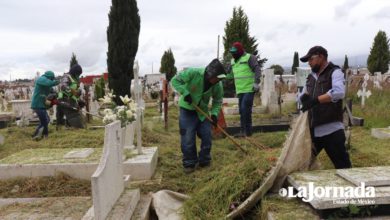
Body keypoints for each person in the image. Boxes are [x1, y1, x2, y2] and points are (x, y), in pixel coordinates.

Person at [298, 46, 352, 169]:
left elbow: (339, 92)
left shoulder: (335, 72)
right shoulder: (310, 77)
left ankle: (350, 188)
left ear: (321, 57)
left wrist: (316, 100)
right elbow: (303, 94)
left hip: (331, 130)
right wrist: (302, 99)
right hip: (313, 131)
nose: (309, 63)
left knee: (343, 167)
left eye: (311, 59)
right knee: (301, 164)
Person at [171, 58, 226, 174]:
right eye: (216, 78)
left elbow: (217, 101)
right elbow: (175, 81)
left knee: (207, 136)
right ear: (210, 73)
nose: (217, 81)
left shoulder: (217, 85)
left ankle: (204, 160)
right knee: (188, 138)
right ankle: (190, 163)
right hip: (187, 110)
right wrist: (185, 93)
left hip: (202, 113)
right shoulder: (193, 73)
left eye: (219, 79)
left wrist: (215, 114)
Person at [227, 42, 261, 137]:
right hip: (240, 90)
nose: (233, 54)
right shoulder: (233, 61)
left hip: (249, 89)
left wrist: (256, 82)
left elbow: (257, 69)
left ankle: (244, 131)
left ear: (240, 51)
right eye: (232, 53)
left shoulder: (249, 57)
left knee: (244, 109)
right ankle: (247, 132)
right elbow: (230, 74)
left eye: (235, 52)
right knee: (242, 111)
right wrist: (225, 76)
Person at [31, 71, 59, 140]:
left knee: (47, 120)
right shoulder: (41, 79)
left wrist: (55, 95)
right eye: (52, 78)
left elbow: (51, 90)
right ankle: (44, 136)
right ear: (49, 77)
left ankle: (36, 134)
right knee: (45, 121)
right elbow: (49, 83)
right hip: (37, 104)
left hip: (41, 105)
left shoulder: (46, 84)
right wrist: (57, 81)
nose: (52, 80)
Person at [56, 64, 85, 129]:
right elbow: (63, 86)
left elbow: (76, 89)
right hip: (64, 99)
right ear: (74, 71)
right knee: (73, 116)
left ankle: (67, 127)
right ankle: (64, 128)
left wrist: (79, 98)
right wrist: (73, 92)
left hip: (71, 99)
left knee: (67, 116)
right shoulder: (66, 76)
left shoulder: (74, 78)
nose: (78, 75)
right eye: (77, 73)